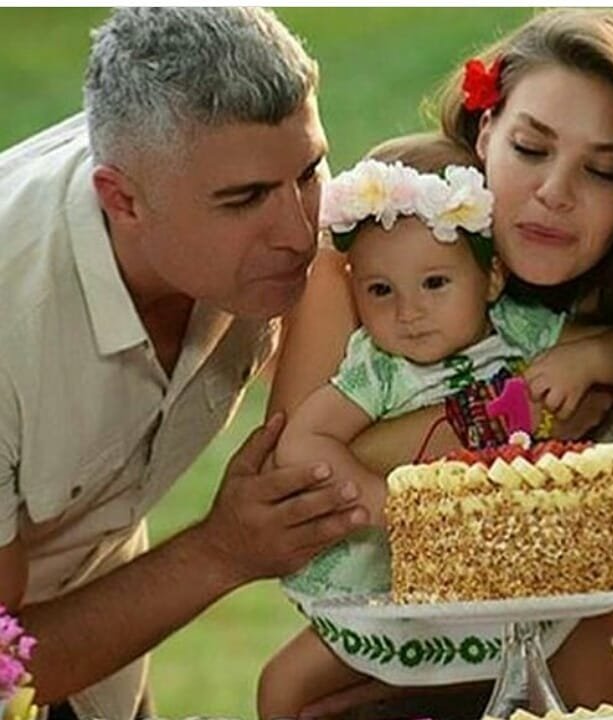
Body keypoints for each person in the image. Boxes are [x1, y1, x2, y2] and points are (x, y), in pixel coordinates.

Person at [267, 8, 613, 719]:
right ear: (486, 133)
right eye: (532, 149)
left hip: (593, 663)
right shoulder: (389, 251)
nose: (555, 192)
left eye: (603, 170)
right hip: (401, 644)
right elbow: (294, 487)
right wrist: (520, 405)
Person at [0, 8, 372, 720]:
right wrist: (221, 552)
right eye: (245, 200)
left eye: (307, 172)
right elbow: (2, 659)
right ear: (122, 200)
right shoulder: (12, 328)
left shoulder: (223, 203)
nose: (298, 234)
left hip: (104, 657)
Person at [258, 134, 613, 719]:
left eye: (435, 283)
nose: (408, 312)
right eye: (380, 290)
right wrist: (380, 498)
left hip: (519, 579)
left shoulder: (523, 333)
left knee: (601, 671)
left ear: (492, 278)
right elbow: (303, 443)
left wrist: (592, 358)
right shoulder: (379, 372)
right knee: (282, 687)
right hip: (400, 586)